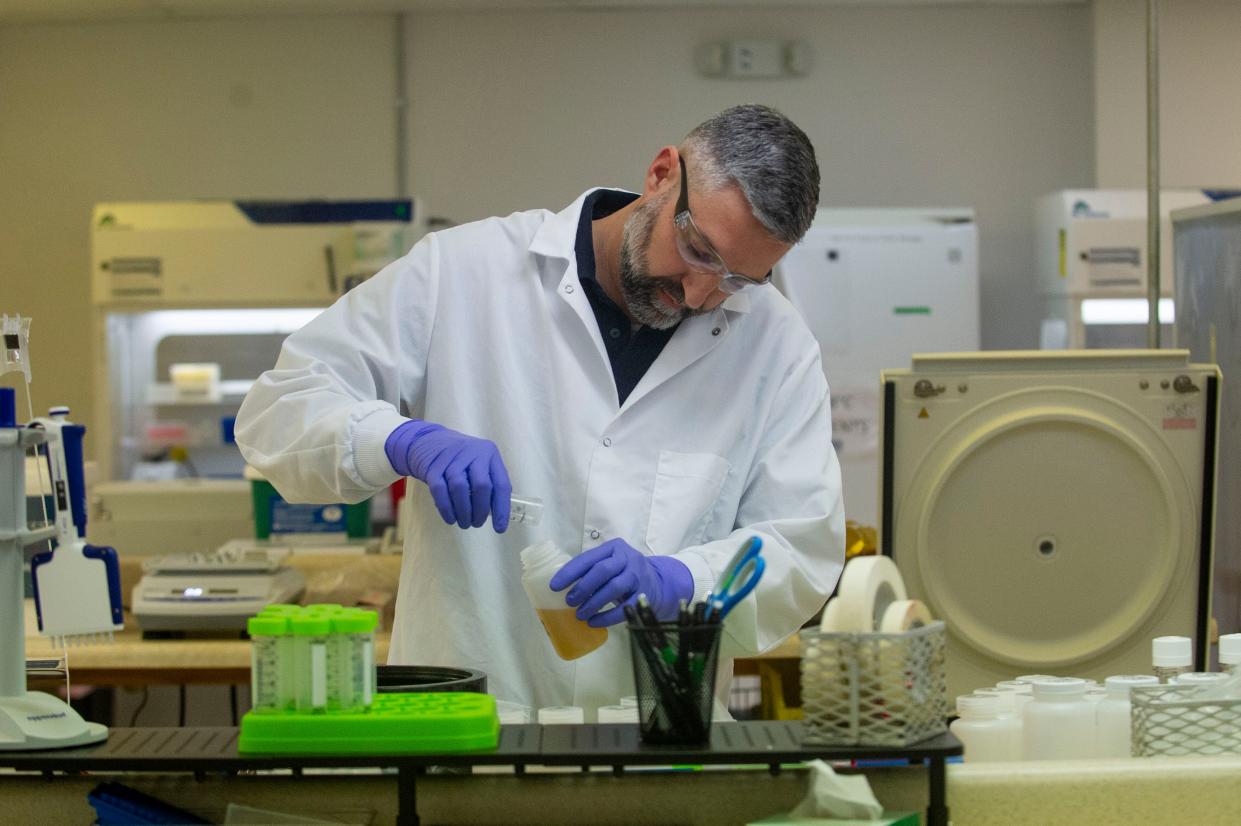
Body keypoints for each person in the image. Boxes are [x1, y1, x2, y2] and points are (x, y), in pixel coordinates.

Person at [235, 103, 845, 716]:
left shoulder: (775, 345)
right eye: (697, 249)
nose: (699, 292)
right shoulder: (463, 271)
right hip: (466, 726)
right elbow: (279, 408)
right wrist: (397, 440)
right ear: (662, 174)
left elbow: (802, 544)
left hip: (659, 742)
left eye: (739, 278)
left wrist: (679, 582)